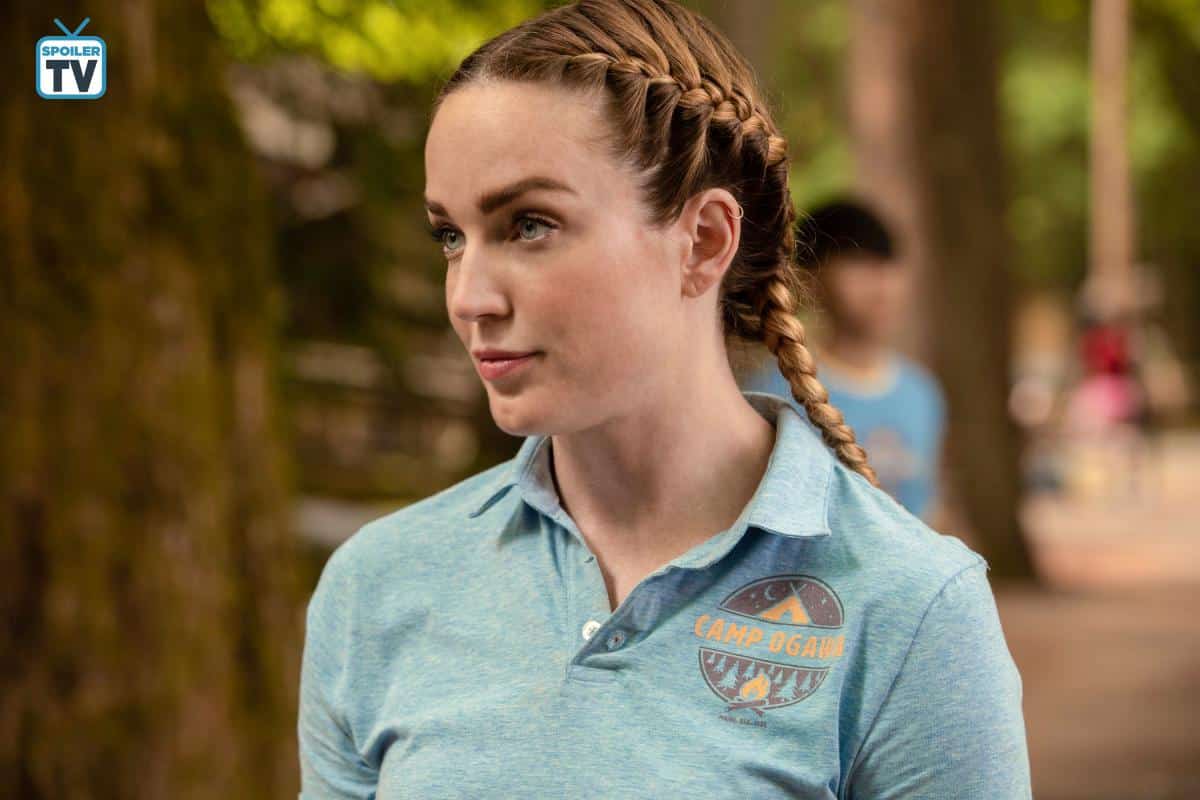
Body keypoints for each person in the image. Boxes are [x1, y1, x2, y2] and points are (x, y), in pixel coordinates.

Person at [298, 2, 1031, 797]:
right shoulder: (378, 585)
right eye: (451, 236)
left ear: (704, 241)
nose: (470, 297)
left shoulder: (912, 610)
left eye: (530, 225)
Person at [738, 199, 948, 523]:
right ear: (810, 278)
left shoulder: (921, 393)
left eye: (887, 265)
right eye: (858, 265)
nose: (881, 286)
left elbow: (928, 506)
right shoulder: (773, 391)